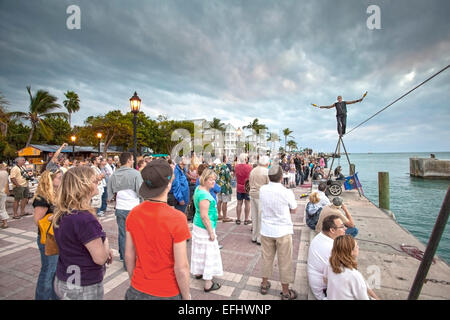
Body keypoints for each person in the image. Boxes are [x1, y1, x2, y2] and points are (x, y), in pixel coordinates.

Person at [125, 159, 191, 300]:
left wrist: (134, 281)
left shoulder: (133, 213)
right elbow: (182, 267)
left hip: (137, 288)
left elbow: (129, 255)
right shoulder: (177, 218)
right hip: (166, 291)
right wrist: (186, 297)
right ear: (168, 185)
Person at [53, 166, 113, 300]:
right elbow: (100, 258)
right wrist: (105, 242)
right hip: (84, 285)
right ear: (82, 186)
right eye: (94, 180)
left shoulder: (63, 212)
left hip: (65, 278)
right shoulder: (84, 219)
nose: (97, 181)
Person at [259, 165, 298, 300]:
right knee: (285, 261)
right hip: (283, 230)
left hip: (266, 229)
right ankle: (285, 292)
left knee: (266, 258)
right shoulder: (286, 192)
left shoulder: (263, 190)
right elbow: (294, 209)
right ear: (282, 177)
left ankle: (264, 284)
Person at [107, 152, 143, 269]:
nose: (133, 161)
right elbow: (140, 192)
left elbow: (110, 192)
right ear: (128, 160)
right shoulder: (135, 174)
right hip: (133, 208)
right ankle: (131, 261)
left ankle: (124, 258)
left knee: (123, 235)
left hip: (120, 207)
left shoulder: (115, 174)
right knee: (135, 235)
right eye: (132, 159)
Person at [191, 168, 224, 292]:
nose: (213, 182)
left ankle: (198, 272)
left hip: (198, 225)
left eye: (214, 180)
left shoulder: (198, 189)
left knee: (199, 250)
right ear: (204, 179)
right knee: (209, 252)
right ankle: (208, 283)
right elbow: (205, 216)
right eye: (211, 179)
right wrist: (211, 232)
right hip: (204, 227)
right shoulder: (204, 195)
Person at [32, 169, 62, 300]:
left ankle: (54, 296)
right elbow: (38, 221)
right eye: (59, 178)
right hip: (47, 238)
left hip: (56, 237)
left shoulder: (57, 195)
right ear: (50, 179)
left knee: (55, 270)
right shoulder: (42, 198)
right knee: (48, 270)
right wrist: (55, 216)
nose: (61, 180)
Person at [325, 235, 380, 300]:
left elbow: (325, 279)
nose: (358, 247)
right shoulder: (354, 275)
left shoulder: (330, 264)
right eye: (356, 246)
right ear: (351, 252)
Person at [307, 215, 347, 300]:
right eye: (342, 227)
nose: (345, 228)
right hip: (323, 291)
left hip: (317, 280)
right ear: (332, 230)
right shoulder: (332, 248)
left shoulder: (320, 236)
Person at [248, 156, 270, 245]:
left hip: (252, 194)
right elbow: (269, 185)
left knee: (254, 216)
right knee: (261, 217)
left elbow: (249, 182)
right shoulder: (266, 171)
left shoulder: (253, 170)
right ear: (267, 163)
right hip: (261, 195)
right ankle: (259, 238)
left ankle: (254, 236)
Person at [234, 153, 252, 225]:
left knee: (239, 203)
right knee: (247, 203)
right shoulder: (249, 167)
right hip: (247, 186)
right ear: (245, 159)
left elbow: (235, 176)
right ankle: (246, 219)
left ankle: (238, 219)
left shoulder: (236, 167)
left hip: (239, 186)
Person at [214, 155, 233, 223]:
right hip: (225, 186)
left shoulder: (217, 166)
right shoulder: (225, 166)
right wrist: (231, 175)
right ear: (225, 159)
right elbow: (228, 177)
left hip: (218, 185)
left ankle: (219, 214)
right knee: (225, 202)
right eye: (227, 158)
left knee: (219, 201)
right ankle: (225, 217)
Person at [0, 163, 9, 229]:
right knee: (2, 207)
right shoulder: (5, 173)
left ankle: (4, 222)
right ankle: (5, 222)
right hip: (3, 191)